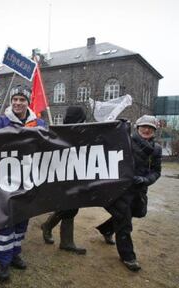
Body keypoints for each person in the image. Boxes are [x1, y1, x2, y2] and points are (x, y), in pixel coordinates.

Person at [0, 85, 46, 281]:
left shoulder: (39, 122)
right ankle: (3, 262)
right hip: (5, 181)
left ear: (27, 102)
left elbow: (48, 146)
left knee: (22, 220)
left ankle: (15, 254)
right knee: (6, 221)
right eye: (15, 99)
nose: (18, 103)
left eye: (22, 99)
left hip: (29, 180)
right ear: (11, 101)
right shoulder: (1, 122)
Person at [96, 115, 161, 271]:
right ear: (137, 127)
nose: (147, 129)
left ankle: (106, 229)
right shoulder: (125, 140)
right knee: (124, 222)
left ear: (154, 131)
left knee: (137, 212)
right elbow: (107, 143)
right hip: (121, 190)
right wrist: (118, 126)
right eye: (144, 126)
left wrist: (146, 180)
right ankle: (128, 257)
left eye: (150, 128)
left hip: (139, 190)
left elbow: (156, 172)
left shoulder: (156, 149)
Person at [40, 106, 87, 255]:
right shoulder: (60, 133)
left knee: (71, 207)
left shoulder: (81, 132)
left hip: (75, 174)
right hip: (62, 175)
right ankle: (63, 239)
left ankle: (51, 228)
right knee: (68, 206)